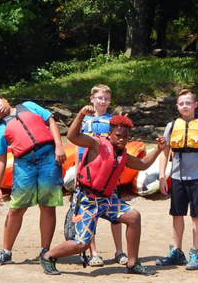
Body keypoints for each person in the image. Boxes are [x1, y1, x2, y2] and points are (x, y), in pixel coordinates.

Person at [40, 108, 164, 276]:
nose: (122, 139)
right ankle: (48, 256)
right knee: (81, 244)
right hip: (86, 200)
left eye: (125, 137)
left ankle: (133, 263)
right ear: (110, 134)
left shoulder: (123, 156)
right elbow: (72, 136)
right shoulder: (96, 143)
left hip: (106, 200)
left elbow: (142, 165)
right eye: (118, 136)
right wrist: (82, 114)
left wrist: (158, 149)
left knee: (133, 217)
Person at [0, 94, 66, 266]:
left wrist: (59, 146)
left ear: (4, 99)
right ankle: (6, 252)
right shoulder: (0, 131)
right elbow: (0, 159)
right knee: (16, 208)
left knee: (47, 206)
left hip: (49, 159)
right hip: (24, 165)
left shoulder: (29, 106)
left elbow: (50, 120)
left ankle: (45, 251)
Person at [156, 88, 198, 271]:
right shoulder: (172, 126)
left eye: (188, 103)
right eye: (181, 103)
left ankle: (195, 252)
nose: (184, 106)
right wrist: (161, 176)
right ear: (177, 106)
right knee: (177, 213)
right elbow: (164, 152)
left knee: (197, 215)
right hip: (176, 177)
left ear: (195, 105)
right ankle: (176, 251)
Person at [74, 84, 126, 267]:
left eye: (106, 99)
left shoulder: (113, 121)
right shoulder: (84, 119)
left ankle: (120, 251)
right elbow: (76, 146)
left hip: (108, 173)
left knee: (116, 212)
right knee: (90, 212)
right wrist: (75, 172)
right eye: (99, 98)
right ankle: (93, 252)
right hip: (87, 173)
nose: (103, 102)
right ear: (92, 99)